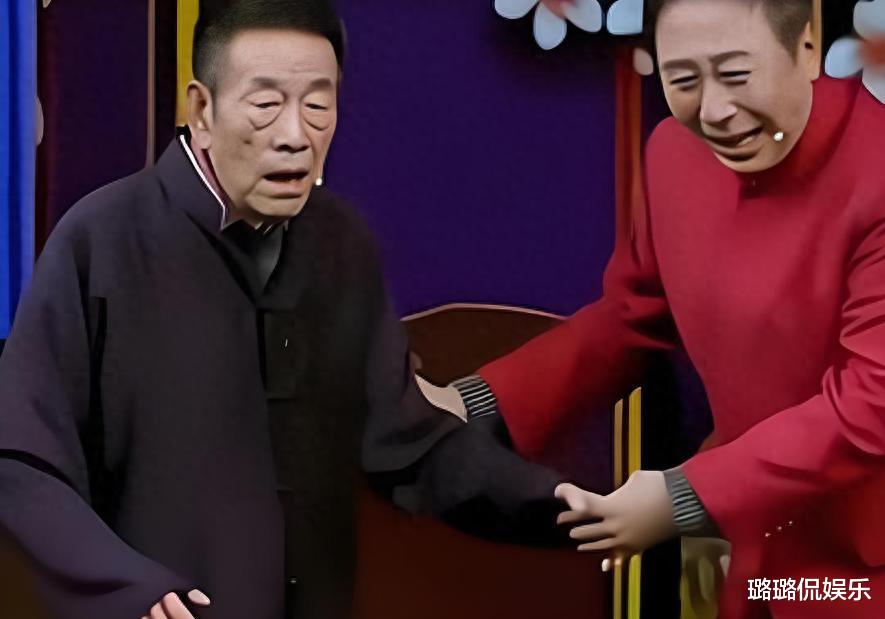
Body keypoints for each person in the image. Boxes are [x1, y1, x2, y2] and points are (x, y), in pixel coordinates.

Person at [0, 2, 569, 618]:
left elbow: (408, 444)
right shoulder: (102, 239)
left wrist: (566, 505)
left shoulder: (341, 244)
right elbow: (21, 459)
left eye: (318, 106)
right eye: (267, 104)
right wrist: (126, 585)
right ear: (201, 111)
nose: (296, 135)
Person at [427, 0, 885, 617]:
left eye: (736, 74)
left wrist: (681, 496)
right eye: (684, 79)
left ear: (807, 47)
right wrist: (475, 402)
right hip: (749, 549)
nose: (714, 110)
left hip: (860, 568)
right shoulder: (674, 152)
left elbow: (871, 403)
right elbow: (632, 312)